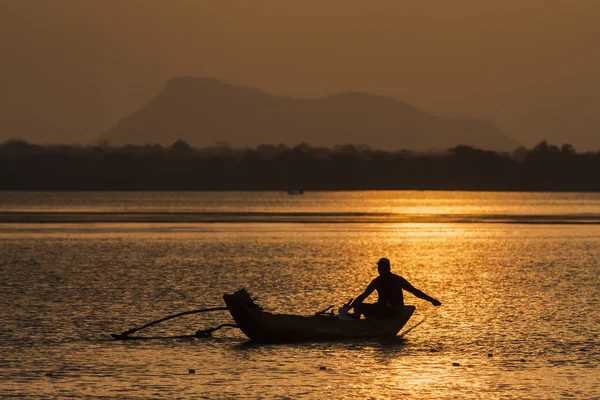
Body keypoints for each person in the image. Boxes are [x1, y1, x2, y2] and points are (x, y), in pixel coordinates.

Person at [348, 257, 441, 319]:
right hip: (381, 308)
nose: (379, 269)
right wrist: (350, 307)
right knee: (359, 304)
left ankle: (373, 320)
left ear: (388, 268)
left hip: (395, 310)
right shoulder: (377, 281)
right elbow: (363, 295)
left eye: (382, 267)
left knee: (381, 309)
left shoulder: (398, 280)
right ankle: (356, 318)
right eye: (379, 267)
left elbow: (414, 291)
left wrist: (431, 300)